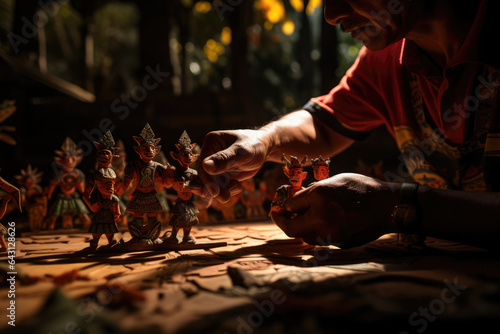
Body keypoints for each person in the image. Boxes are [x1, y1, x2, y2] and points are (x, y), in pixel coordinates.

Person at [197, 0, 500, 250]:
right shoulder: (386, 59)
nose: (332, 14)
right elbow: (325, 124)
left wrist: (391, 206)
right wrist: (263, 141)